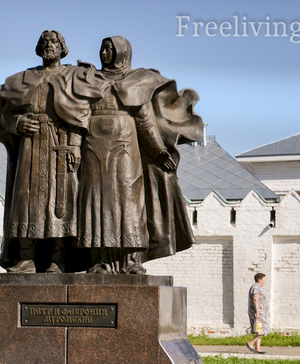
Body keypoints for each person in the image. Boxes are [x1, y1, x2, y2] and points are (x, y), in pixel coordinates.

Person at [70, 36, 203, 273]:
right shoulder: (90, 80)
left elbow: (145, 121)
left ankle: (132, 260)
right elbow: (77, 117)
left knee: (128, 201)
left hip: (125, 149)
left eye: (110, 49)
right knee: (96, 201)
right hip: (93, 148)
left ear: (122, 52)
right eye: (103, 48)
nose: (104, 53)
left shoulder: (137, 80)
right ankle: (100, 260)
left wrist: (159, 151)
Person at [0, 30, 92, 273]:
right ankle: (26, 258)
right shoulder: (23, 78)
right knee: (27, 200)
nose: (49, 45)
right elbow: (5, 111)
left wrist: (76, 144)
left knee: (62, 201)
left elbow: (82, 111)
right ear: (38, 47)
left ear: (62, 47)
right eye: (44, 42)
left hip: (62, 145)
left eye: (54, 41)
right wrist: (17, 123)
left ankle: (58, 260)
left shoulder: (72, 76)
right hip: (31, 145)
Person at [246, 273, 269, 354]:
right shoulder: (256, 288)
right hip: (258, 312)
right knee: (264, 330)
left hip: (259, 312)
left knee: (259, 330)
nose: (264, 282)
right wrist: (258, 313)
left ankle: (258, 348)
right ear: (259, 280)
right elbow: (255, 300)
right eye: (264, 280)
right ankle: (250, 343)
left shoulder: (256, 287)